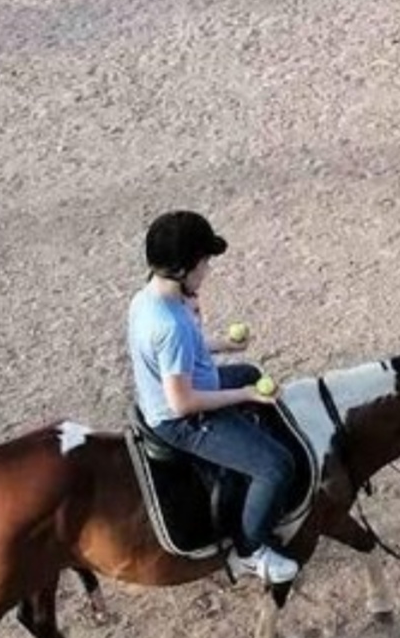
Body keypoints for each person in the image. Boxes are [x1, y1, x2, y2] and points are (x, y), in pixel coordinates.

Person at [127, 210, 298, 584]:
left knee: (250, 371)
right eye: (204, 262)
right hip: (181, 421)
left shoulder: (147, 299)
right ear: (182, 268)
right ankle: (250, 552)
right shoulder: (170, 325)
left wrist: (223, 345)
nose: (207, 269)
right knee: (276, 466)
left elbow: (180, 354)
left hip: (186, 389)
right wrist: (245, 395)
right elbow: (183, 403)